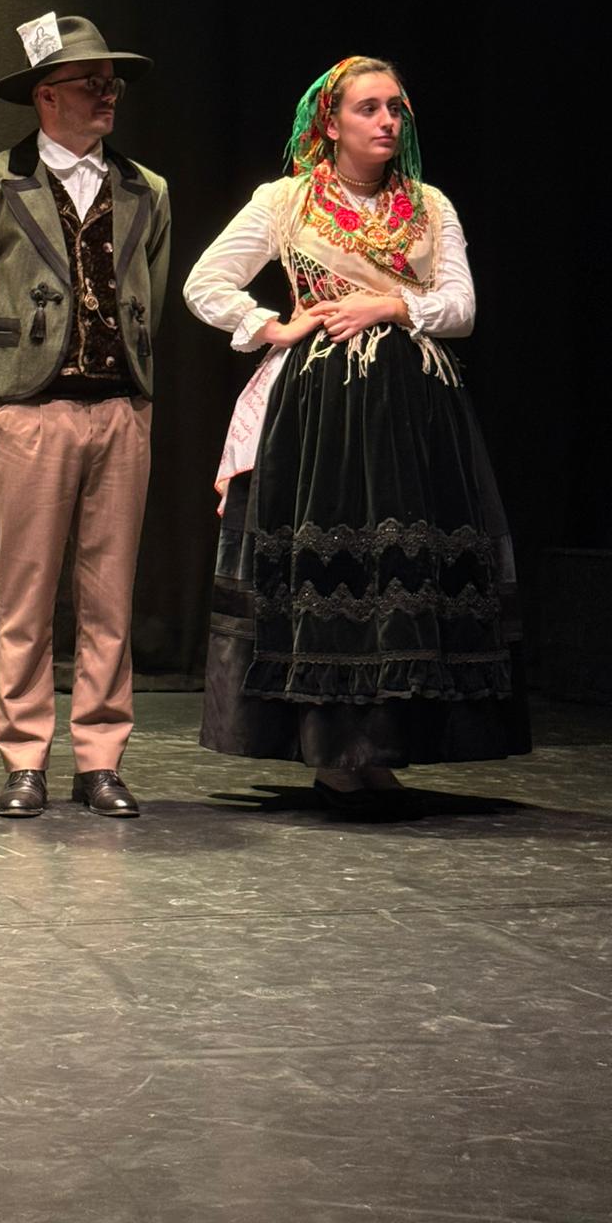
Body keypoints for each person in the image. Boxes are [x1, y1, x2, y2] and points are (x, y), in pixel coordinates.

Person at [183, 55, 529, 817]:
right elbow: (204, 282)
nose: (387, 121)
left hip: (413, 420)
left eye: (396, 108)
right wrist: (271, 326)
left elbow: (461, 305)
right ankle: (333, 753)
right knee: (330, 578)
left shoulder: (429, 207)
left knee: (397, 580)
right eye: (369, 108)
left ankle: (380, 750)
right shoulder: (286, 202)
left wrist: (392, 307)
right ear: (330, 123)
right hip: (319, 423)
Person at [0, 12, 170, 818]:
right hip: (32, 413)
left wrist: (131, 384)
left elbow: (148, 299)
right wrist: (7, 384)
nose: (108, 95)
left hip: (120, 411)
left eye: (113, 83)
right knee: (24, 596)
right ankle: (25, 757)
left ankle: (100, 758)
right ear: (46, 96)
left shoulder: (146, 189)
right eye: (91, 83)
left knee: (110, 597)